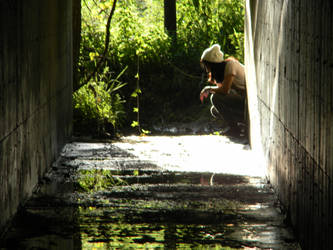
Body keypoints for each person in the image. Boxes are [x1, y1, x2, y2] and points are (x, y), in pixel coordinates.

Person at [199, 44, 248, 136]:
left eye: (206, 65)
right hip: (242, 99)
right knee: (214, 110)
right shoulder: (221, 72)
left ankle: (235, 129)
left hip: (247, 100)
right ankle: (240, 125)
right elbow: (224, 90)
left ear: (212, 64)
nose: (206, 69)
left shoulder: (230, 65)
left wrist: (208, 88)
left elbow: (224, 91)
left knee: (215, 98)